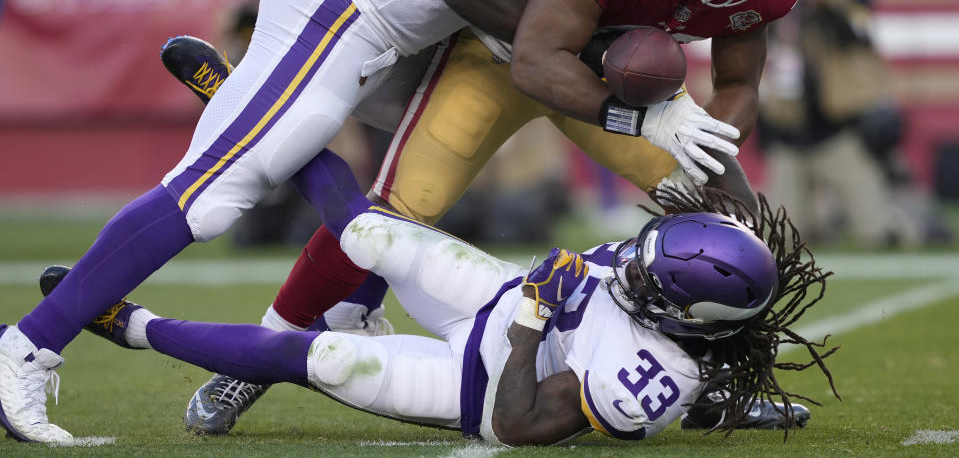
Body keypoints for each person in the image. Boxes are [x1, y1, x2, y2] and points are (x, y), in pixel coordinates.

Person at [0, 0, 663, 443]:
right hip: (344, 16)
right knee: (205, 196)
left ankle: (347, 300)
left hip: (380, 28)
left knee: (411, 180)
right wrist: (582, 49)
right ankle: (27, 348)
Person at [158, 0, 805, 433]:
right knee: (386, 216)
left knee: (736, 223)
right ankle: (252, 362)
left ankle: (724, 384)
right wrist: (651, 118)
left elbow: (740, 82)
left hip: (612, 87)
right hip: (507, 62)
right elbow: (536, 58)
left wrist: (712, 139)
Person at [30, 149, 838, 445]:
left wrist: (529, 321)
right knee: (370, 231)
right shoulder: (674, 274)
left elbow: (521, 426)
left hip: (484, 388)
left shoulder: (653, 372)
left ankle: (128, 325)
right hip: (500, 297)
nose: (627, 266)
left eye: (645, 280)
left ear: (686, 320)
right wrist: (525, 300)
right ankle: (247, 104)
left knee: (325, 357)